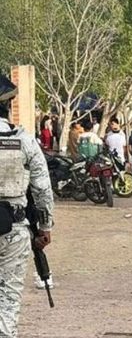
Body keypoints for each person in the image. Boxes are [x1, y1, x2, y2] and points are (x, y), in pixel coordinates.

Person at [0, 75, 54, 337]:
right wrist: (45, 226)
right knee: (9, 298)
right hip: (15, 229)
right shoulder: (24, 139)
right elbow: (42, 188)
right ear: (7, 106)